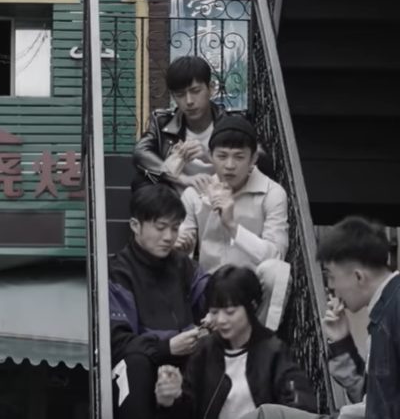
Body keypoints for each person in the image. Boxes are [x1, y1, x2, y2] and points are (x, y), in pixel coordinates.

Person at [239, 216, 400, 419]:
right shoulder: (387, 311)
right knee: (267, 415)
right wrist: (341, 341)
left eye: (332, 277)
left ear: (358, 276)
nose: (331, 287)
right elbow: (369, 398)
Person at [154, 265, 318, 419]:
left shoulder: (273, 351)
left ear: (252, 306)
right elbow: (188, 409)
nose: (221, 320)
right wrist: (172, 398)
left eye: (230, 312)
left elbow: (300, 405)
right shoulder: (205, 350)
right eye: (214, 312)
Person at [108, 184, 212, 419]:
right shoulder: (118, 273)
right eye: (161, 227)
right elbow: (117, 342)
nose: (169, 237)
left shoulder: (184, 265)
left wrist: (214, 315)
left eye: (175, 228)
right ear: (135, 225)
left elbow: (212, 292)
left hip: (185, 366)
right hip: (142, 368)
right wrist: (167, 348)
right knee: (135, 362)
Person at [175, 115, 288, 273]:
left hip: (255, 282)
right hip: (209, 282)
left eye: (239, 157)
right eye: (222, 156)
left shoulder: (272, 193)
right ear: (210, 156)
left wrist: (232, 226)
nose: (229, 165)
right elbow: (181, 245)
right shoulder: (195, 193)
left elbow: (276, 256)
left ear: (253, 159)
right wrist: (179, 244)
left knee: (275, 272)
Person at [132, 55, 229, 192]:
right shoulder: (163, 122)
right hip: (175, 199)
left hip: (222, 196)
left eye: (196, 91)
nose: (189, 101)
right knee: (141, 183)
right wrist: (182, 179)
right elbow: (140, 153)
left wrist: (209, 156)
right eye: (180, 94)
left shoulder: (230, 123)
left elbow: (251, 162)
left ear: (211, 89)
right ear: (173, 96)